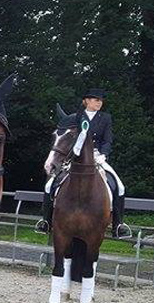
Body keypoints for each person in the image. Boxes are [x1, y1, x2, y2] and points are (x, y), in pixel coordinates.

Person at [36, 88, 129, 238]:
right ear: (86, 101)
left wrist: (103, 155)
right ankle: (46, 221)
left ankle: (118, 225)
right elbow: (67, 137)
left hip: (97, 156)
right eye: (95, 100)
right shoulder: (76, 117)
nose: (99, 103)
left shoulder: (105, 118)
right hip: (76, 156)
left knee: (120, 186)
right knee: (49, 185)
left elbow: (107, 140)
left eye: (100, 100)